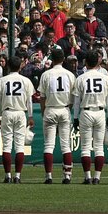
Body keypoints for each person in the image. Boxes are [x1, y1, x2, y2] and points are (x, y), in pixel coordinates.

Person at [72, 49, 108, 185]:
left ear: (86, 62)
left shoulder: (81, 78)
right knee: (99, 147)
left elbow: (76, 101)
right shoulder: (105, 78)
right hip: (100, 111)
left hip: (86, 112)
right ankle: (97, 177)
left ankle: (88, 176)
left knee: (86, 147)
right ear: (98, 62)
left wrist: (75, 118)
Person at [0, 56, 34, 184]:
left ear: (8, 66)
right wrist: (31, 116)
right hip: (21, 112)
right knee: (19, 146)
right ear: (20, 66)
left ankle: (7, 175)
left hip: (7, 111)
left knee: (6, 146)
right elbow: (30, 101)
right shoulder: (26, 81)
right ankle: (17, 176)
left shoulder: (2, 80)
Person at [39, 50, 76, 184]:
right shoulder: (70, 75)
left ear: (51, 59)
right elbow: (73, 98)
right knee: (65, 145)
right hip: (64, 109)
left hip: (50, 109)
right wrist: (67, 109)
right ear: (63, 59)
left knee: (49, 145)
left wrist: (44, 112)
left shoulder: (46, 74)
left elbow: (42, 97)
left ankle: (48, 176)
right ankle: (67, 175)